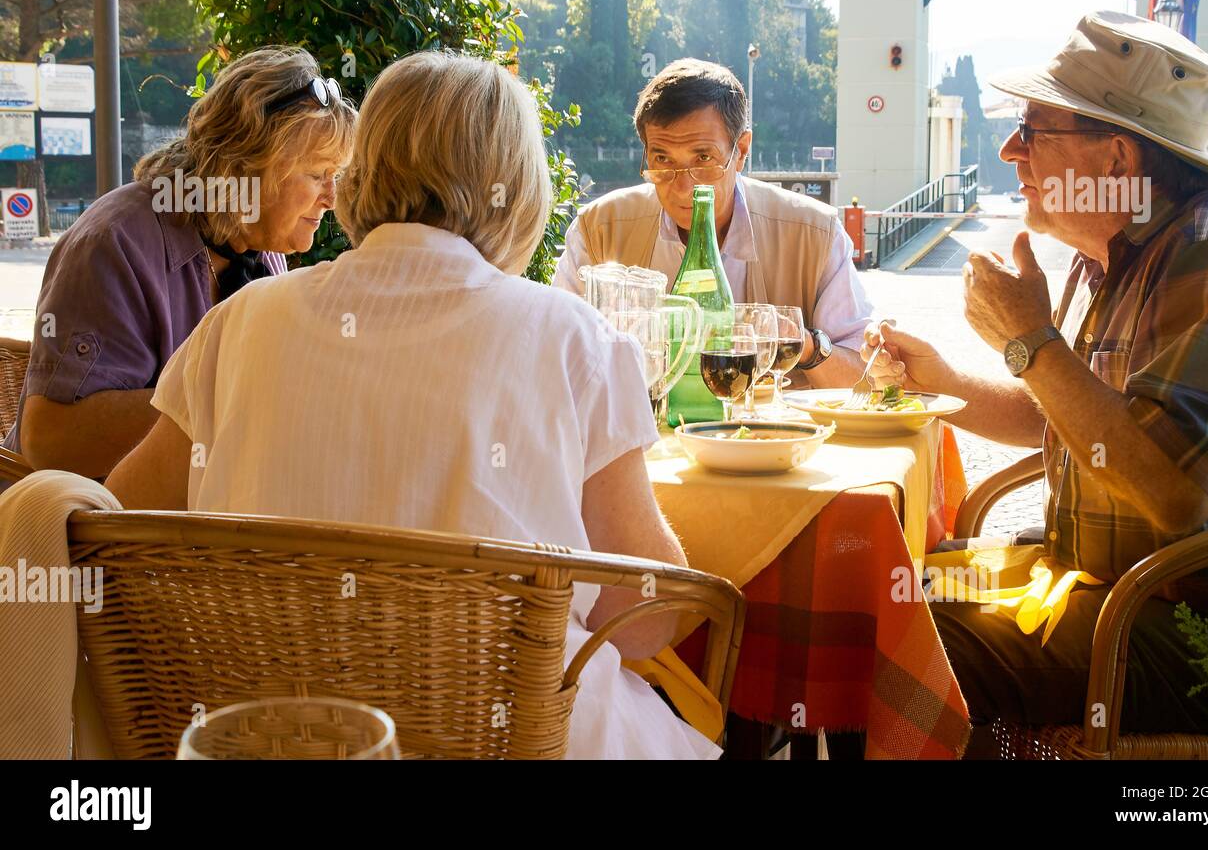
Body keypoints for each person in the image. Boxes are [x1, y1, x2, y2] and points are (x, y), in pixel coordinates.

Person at [105, 50, 719, 760]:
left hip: (267, 738)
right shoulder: (575, 340)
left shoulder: (240, 321)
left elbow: (124, 527)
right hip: (521, 743)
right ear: (516, 189)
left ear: (360, 170)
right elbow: (642, 622)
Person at [863, 11, 1208, 742]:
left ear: (1119, 160)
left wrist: (1031, 339)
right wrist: (942, 377)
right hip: (1103, 583)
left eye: (1032, 131)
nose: (1009, 150)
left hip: (1196, 632)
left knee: (915, 639)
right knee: (883, 592)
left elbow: (1173, 490)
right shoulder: (1116, 252)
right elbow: (1081, 422)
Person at [4, 46, 355, 480]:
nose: (332, 198)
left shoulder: (256, 249)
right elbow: (52, 441)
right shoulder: (117, 243)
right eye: (318, 173)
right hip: (88, 532)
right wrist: (240, 396)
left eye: (336, 175)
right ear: (247, 166)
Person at [554, 58, 873, 385]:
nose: (683, 187)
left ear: (742, 150)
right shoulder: (600, 230)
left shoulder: (813, 233)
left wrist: (804, 345)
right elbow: (555, 356)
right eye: (662, 159)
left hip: (773, 436)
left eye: (703, 158)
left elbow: (865, 374)